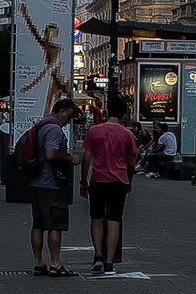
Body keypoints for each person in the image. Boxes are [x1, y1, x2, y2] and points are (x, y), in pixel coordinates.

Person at [78, 96, 138, 276]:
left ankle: (97, 255)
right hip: (119, 181)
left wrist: (83, 181)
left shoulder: (95, 131)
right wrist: (129, 181)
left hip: (98, 179)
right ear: (124, 115)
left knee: (96, 218)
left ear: (107, 112)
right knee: (114, 220)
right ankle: (110, 262)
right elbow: (131, 163)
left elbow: (86, 158)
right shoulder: (128, 134)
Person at [30, 98, 81, 277]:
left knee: (37, 225)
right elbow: (51, 154)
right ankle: (55, 264)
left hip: (36, 182)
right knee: (55, 225)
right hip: (50, 183)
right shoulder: (54, 129)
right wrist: (70, 159)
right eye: (68, 117)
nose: (68, 121)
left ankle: (38, 263)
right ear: (61, 111)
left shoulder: (41, 124)